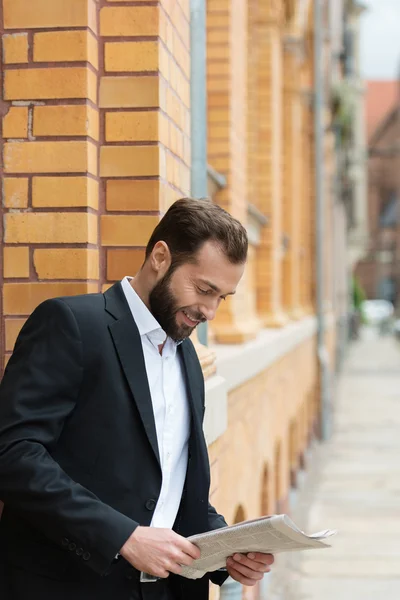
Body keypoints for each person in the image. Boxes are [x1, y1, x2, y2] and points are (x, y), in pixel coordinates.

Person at [0, 198, 274, 600]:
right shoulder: (72, 325)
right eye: (203, 289)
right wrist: (123, 536)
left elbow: (171, 485)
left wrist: (227, 546)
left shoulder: (188, 357)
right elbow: (13, 453)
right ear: (160, 257)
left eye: (223, 298)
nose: (211, 311)